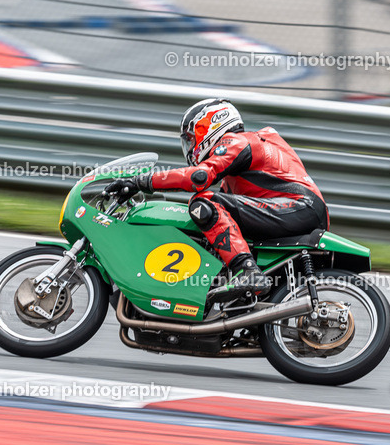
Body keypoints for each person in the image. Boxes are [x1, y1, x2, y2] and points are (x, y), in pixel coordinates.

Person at [105, 98, 329, 303]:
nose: (190, 147)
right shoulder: (234, 174)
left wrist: (140, 182)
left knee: (205, 203)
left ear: (210, 127)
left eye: (191, 139)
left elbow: (198, 178)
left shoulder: (238, 141)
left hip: (299, 207)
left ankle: (247, 271)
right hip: (294, 209)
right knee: (207, 218)